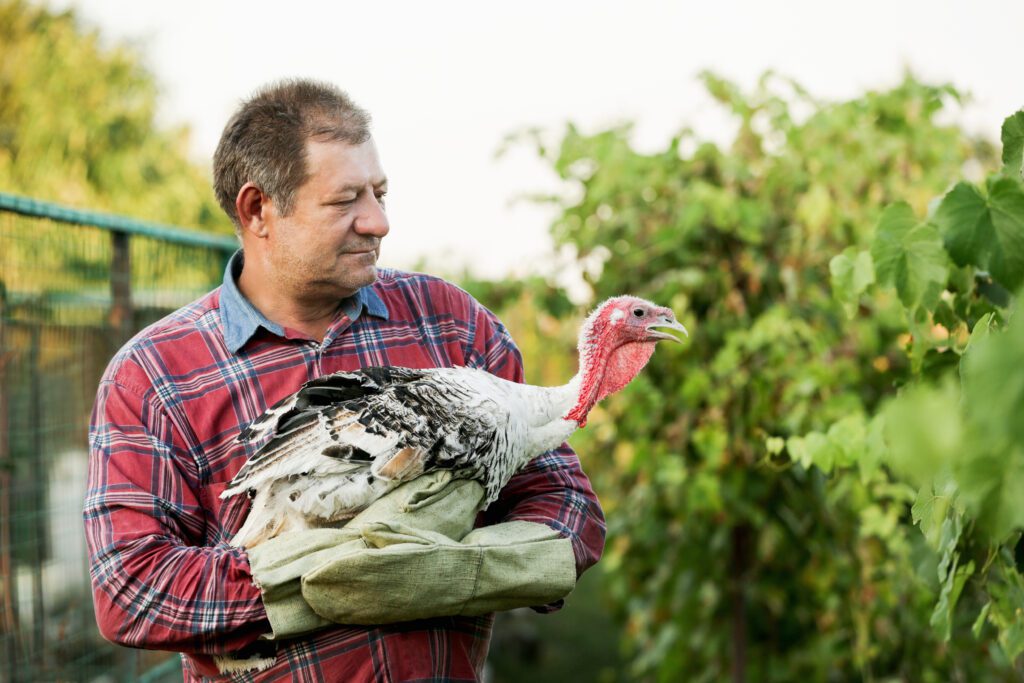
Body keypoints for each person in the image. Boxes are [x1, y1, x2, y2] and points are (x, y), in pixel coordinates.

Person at [85, 79, 605, 681]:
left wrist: (465, 569)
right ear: (258, 210)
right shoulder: (155, 375)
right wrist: (332, 575)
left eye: (380, 193)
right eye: (345, 201)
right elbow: (131, 588)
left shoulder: (452, 325)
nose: (379, 222)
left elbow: (565, 500)